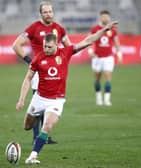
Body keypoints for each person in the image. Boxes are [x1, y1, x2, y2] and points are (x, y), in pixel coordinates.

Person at [16, 21, 118, 164]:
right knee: (27, 126)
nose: (45, 49)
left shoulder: (66, 52)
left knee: (47, 126)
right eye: (44, 46)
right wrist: (21, 99)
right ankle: (33, 127)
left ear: (57, 44)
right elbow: (28, 79)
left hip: (56, 100)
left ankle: (33, 156)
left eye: (49, 47)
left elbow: (88, 40)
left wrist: (104, 29)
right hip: (39, 98)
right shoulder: (38, 58)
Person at [13, 1, 71, 144]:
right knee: (38, 102)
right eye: (45, 12)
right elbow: (16, 45)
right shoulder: (34, 28)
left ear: (53, 12)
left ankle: (43, 136)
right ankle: (36, 137)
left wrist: (62, 62)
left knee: (49, 103)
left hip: (54, 71)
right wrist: (29, 60)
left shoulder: (59, 28)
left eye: (50, 11)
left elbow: (68, 46)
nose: (48, 14)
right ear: (41, 14)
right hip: (40, 70)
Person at [88, 10, 123, 106]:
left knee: (108, 77)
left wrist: (119, 54)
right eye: (103, 17)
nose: (105, 18)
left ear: (109, 18)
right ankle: (98, 98)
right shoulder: (95, 29)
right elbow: (90, 40)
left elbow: (117, 43)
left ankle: (107, 100)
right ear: (100, 17)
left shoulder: (113, 30)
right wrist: (90, 51)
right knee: (97, 78)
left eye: (106, 17)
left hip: (108, 58)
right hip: (97, 58)